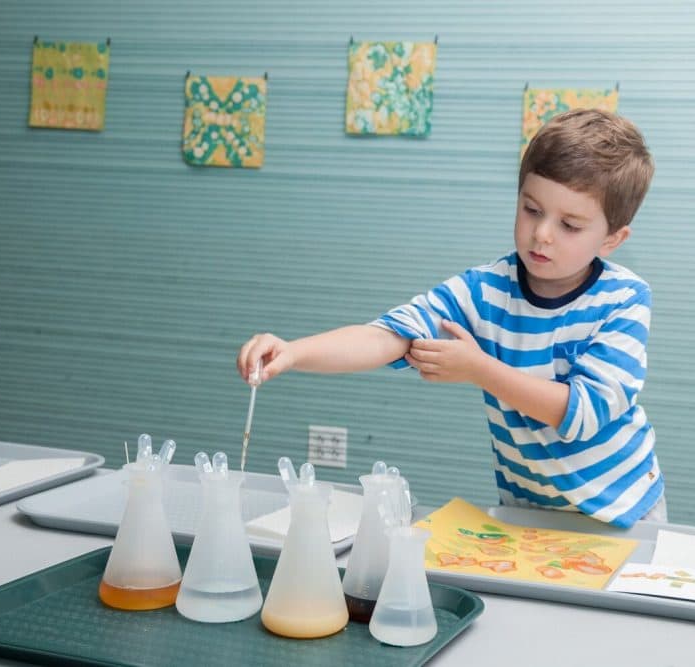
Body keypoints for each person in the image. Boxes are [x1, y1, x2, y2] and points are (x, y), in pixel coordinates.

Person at [237, 108, 665, 527]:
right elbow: (389, 336)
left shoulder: (624, 299)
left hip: (622, 509)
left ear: (612, 239)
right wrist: (294, 352)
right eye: (532, 209)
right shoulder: (484, 290)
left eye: (570, 225)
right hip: (529, 509)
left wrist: (478, 368)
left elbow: (580, 413)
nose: (542, 234)